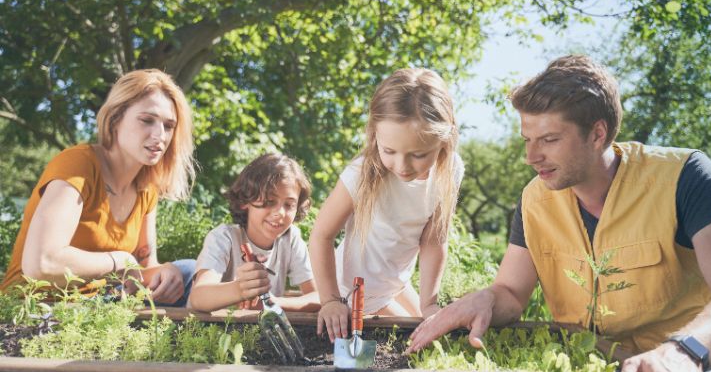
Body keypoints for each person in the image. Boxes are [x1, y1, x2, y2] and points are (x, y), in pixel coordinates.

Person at [406, 54, 711, 372]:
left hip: (710, 369)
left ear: (597, 133)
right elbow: (512, 292)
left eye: (549, 140)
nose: (531, 157)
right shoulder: (535, 199)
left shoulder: (686, 176)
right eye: (527, 141)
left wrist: (684, 353)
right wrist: (485, 298)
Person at [1, 69, 197, 305]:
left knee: (188, 271)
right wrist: (120, 260)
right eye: (147, 120)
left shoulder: (147, 187)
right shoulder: (79, 164)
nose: (160, 135)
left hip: (102, 305)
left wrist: (165, 273)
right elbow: (41, 264)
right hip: (33, 308)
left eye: (169, 126)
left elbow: (142, 268)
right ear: (115, 119)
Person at [311, 67, 464, 342]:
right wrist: (330, 300)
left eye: (418, 154)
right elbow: (322, 234)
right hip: (355, 288)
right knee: (414, 341)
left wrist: (429, 304)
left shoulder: (450, 170)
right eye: (389, 151)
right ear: (375, 134)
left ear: (444, 140)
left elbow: (433, 239)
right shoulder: (360, 174)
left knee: (436, 330)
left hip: (395, 282)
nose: (402, 166)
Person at [188, 153, 319, 313]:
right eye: (270, 201)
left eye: (289, 205)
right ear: (245, 201)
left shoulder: (291, 239)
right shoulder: (224, 237)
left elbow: (318, 297)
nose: (280, 212)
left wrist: (272, 302)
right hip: (212, 332)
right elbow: (199, 297)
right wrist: (240, 290)